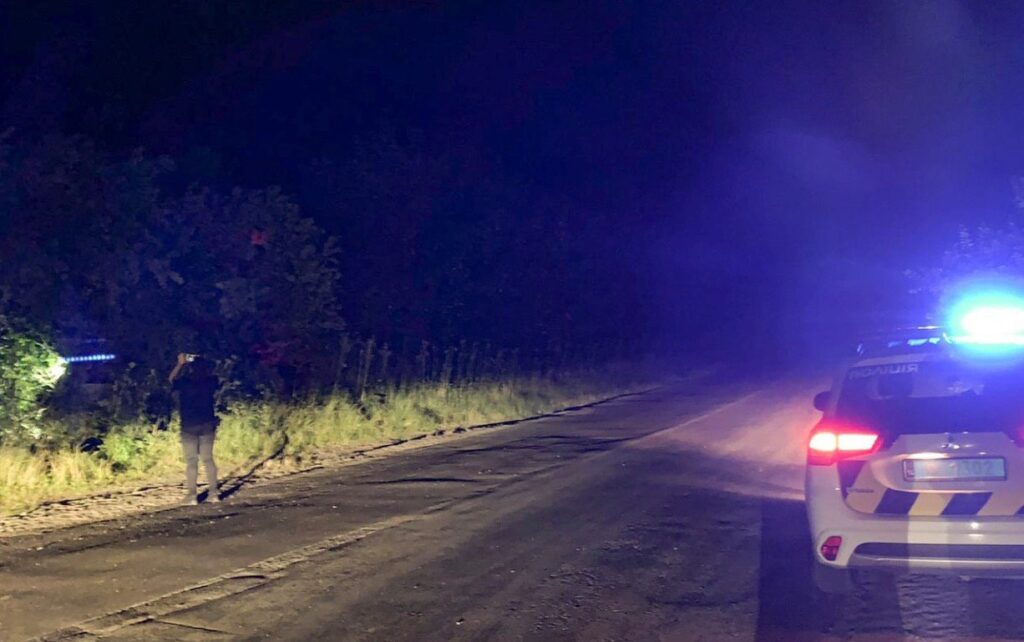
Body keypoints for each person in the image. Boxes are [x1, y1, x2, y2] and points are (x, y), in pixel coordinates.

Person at [169, 353, 221, 505]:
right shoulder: (211, 381)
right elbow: (214, 374)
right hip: (207, 425)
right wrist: (202, 359)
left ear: (190, 368)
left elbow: (171, 379)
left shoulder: (184, 382)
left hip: (189, 426)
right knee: (208, 459)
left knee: (191, 461)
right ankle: (214, 493)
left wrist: (180, 364)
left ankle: (192, 496)